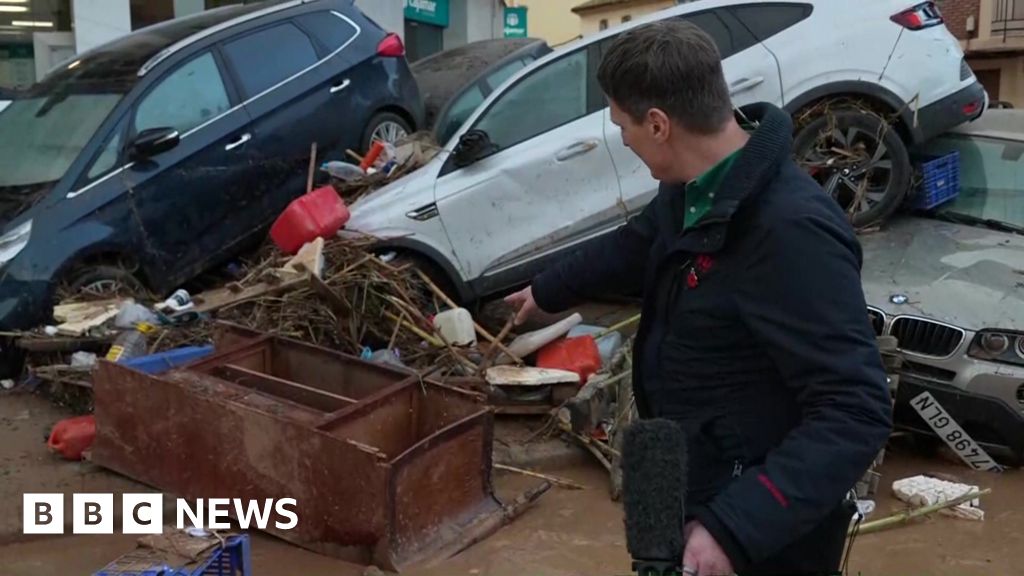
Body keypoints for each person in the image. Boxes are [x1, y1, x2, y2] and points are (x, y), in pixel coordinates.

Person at [505, 19, 893, 576]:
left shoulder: (791, 233)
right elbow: (635, 244)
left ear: (659, 124)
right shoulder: (698, 190)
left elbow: (856, 411)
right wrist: (546, 293)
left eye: (623, 126)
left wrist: (734, 530)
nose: (624, 140)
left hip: (762, 534)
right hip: (695, 486)